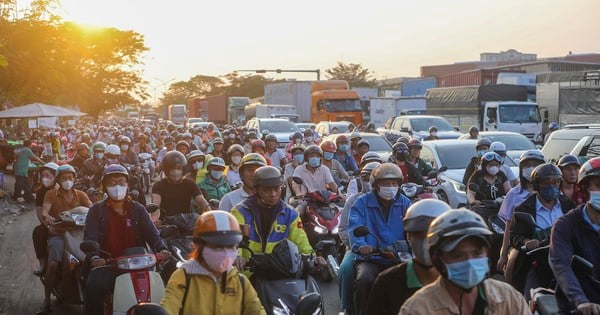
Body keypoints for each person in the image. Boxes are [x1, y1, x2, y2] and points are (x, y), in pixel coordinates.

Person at [399, 209, 529, 314]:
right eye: (457, 256)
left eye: (476, 253)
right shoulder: (418, 309)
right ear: (437, 260)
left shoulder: (508, 298)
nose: (470, 263)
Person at [83, 164, 171, 315]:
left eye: (121, 182)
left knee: (171, 276)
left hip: (140, 264)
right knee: (94, 285)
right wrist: (95, 256)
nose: (117, 186)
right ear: (104, 186)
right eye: (112, 183)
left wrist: (162, 249)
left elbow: (152, 234)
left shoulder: (138, 209)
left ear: (128, 185)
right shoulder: (96, 210)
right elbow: (91, 237)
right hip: (109, 265)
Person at [160, 210, 265, 315]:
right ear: (199, 245)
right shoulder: (183, 277)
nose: (225, 253)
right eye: (217, 246)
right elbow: (168, 308)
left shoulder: (240, 282)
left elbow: (257, 311)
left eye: (231, 246)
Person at [348, 163, 412, 315]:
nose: (390, 187)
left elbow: (413, 227)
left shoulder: (405, 203)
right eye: (386, 183)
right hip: (372, 258)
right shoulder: (361, 203)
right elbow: (355, 226)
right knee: (364, 280)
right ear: (376, 185)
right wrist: (361, 246)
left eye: (394, 183)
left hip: (400, 257)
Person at [367, 199, 451, 314]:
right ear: (408, 237)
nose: (426, 242)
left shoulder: (459, 280)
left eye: (434, 235)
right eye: (419, 235)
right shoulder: (387, 282)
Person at [231, 166, 326, 268]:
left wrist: (313, 257)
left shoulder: (291, 213)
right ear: (256, 190)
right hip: (249, 273)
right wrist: (237, 257)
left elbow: (301, 241)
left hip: (281, 271)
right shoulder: (240, 212)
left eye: (276, 189)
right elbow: (234, 243)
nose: (273, 194)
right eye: (267, 190)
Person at [510, 163, 575, 297]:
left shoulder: (568, 204)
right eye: (546, 183)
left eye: (556, 182)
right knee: (530, 298)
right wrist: (526, 241)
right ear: (536, 186)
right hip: (538, 263)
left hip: (568, 260)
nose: (552, 186)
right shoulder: (524, 208)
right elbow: (515, 235)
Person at [549, 157, 600, 314]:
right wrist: (581, 302)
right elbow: (562, 266)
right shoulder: (565, 225)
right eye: (599, 185)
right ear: (584, 189)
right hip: (578, 306)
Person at [40, 164, 92, 312]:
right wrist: (49, 218)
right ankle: (47, 298)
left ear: (74, 178)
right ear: (58, 180)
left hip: (78, 234)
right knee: (52, 265)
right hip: (59, 234)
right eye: (63, 178)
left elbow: (92, 208)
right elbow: (45, 211)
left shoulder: (81, 194)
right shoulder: (50, 194)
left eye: (70, 177)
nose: (67, 181)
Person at [337, 161, 380, 314]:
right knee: (345, 269)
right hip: (356, 249)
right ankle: (347, 308)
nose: (368, 182)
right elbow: (342, 228)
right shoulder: (353, 201)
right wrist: (355, 245)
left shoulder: (396, 201)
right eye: (365, 178)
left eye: (371, 178)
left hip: (385, 249)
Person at [497, 150, 546, 276]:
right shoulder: (513, 195)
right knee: (512, 267)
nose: (531, 168)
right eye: (527, 165)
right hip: (521, 242)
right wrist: (503, 254)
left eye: (535, 164)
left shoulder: (552, 192)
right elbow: (509, 227)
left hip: (549, 241)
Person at [151, 151, 210, 223]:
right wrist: (154, 218)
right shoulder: (158, 185)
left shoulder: (190, 184)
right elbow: (155, 203)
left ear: (183, 169)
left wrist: (210, 214)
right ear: (166, 170)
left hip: (188, 223)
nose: (176, 171)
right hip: (166, 224)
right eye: (172, 168)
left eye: (179, 168)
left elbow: (201, 200)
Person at [32, 162, 59, 275]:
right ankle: (42, 263)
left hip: (68, 223)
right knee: (38, 232)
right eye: (43, 176)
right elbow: (40, 212)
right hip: (50, 222)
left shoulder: (64, 189)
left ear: (56, 176)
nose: (45, 178)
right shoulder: (41, 192)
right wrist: (48, 225)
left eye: (48, 176)